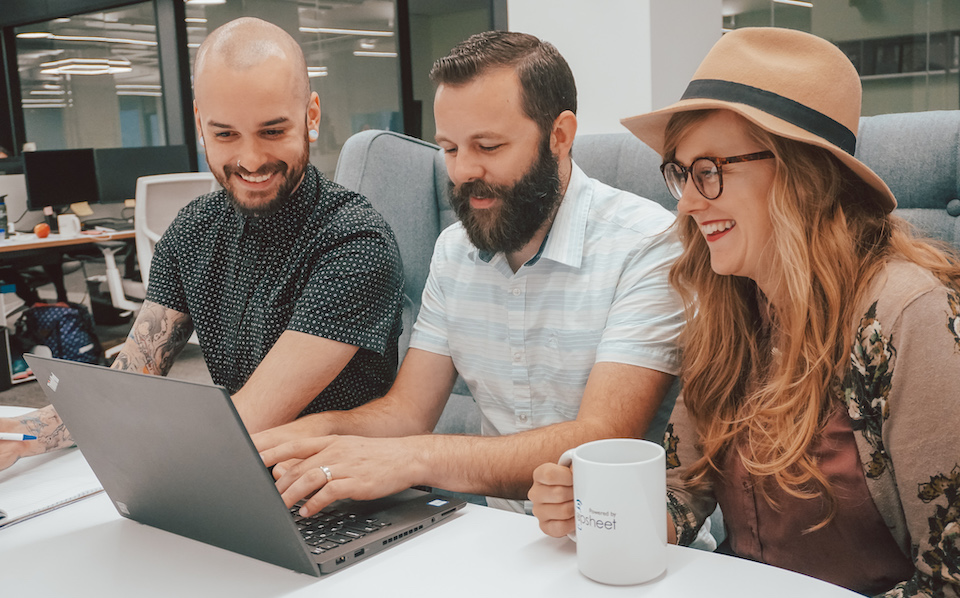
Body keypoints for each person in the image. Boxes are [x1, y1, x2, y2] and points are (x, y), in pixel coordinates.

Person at [528, 27, 960, 597]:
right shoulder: (726, 304)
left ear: (802, 175)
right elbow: (684, 490)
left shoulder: (908, 316)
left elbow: (949, 578)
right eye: (680, 173)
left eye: (708, 171)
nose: (684, 201)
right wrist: (596, 511)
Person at [254, 31, 684, 516]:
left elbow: (601, 437)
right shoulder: (455, 250)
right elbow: (408, 412)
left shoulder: (648, 242)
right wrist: (302, 436)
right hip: (500, 542)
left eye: (488, 146)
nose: (462, 172)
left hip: (624, 540)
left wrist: (416, 457)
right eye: (451, 149)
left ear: (559, 136)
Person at [0, 17, 403, 470]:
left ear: (311, 116)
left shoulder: (353, 242)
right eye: (225, 134)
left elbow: (251, 418)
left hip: (347, 493)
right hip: (242, 474)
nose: (250, 160)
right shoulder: (193, 232)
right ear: (199, 123)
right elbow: (133, 378)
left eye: (273, 131)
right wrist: (23, 434)